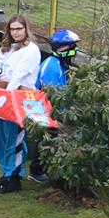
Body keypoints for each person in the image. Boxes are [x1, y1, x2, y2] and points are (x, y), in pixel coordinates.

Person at [0, 14, 41, 194]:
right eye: (12, 29)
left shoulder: (31, 50)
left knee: (14, 139)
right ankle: (6, 172)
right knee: (1, 137)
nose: (15, 32)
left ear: (25, 29)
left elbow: (18, 76)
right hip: (0, 98)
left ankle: (14, 177)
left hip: (17, 100)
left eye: (19, 29)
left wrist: (7, 97)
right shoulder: (6, 49)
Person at [27, 29, 80, 183]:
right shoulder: (52, 67)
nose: (75, 51)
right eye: (73, 47)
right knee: (46, 138)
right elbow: (53, 95)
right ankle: (36, 171)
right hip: (43, 110)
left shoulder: (61, 64)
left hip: (50, 110)